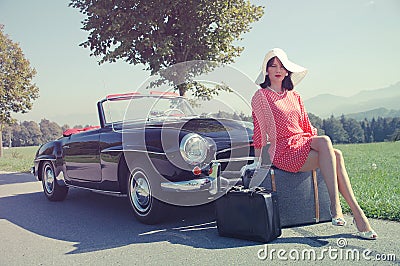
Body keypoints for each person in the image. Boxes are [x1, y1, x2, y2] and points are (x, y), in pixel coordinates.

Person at [242, 48, 377, 240]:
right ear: (267, 71)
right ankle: (338, 207)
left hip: (301, 143)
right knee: (328, 144)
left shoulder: (294, 96)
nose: (278, 70)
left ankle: (355, 214)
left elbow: (306, 126)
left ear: (287, 71)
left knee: (335, 153)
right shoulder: (261, 97)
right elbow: (259, 130)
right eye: (273, 66)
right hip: (282, 151)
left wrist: (316, 145)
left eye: (282, 66)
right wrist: (258, 162)